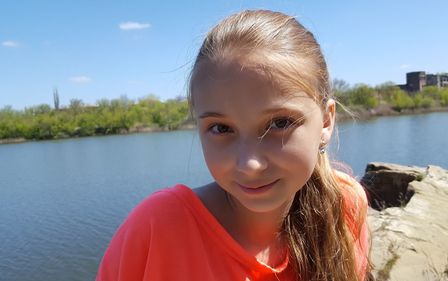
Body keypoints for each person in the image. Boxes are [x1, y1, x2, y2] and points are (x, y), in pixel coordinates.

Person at [96, 9, 370, 281]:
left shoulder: (346, 205)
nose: (249, 164)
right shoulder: (156, 228)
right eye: (221, 128)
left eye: (279, 123)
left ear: (325, 122)